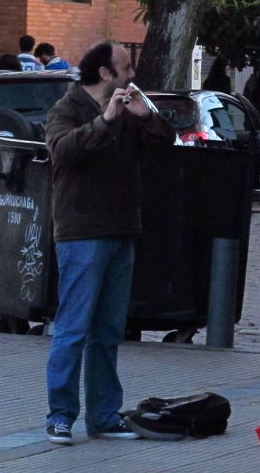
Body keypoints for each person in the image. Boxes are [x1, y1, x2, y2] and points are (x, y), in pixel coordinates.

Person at [45, 40, 176, 445]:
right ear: (105, 73)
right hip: (82, 233)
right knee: (73, 327)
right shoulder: (68, 108)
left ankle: (103, 415)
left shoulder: (131, 107)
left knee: (108, 330)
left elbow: (166, 140)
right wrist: (104, 120)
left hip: (122, 231)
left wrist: (147, 116)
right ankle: (60, 415)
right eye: (125, 68)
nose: (132, 74)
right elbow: (63, 151)